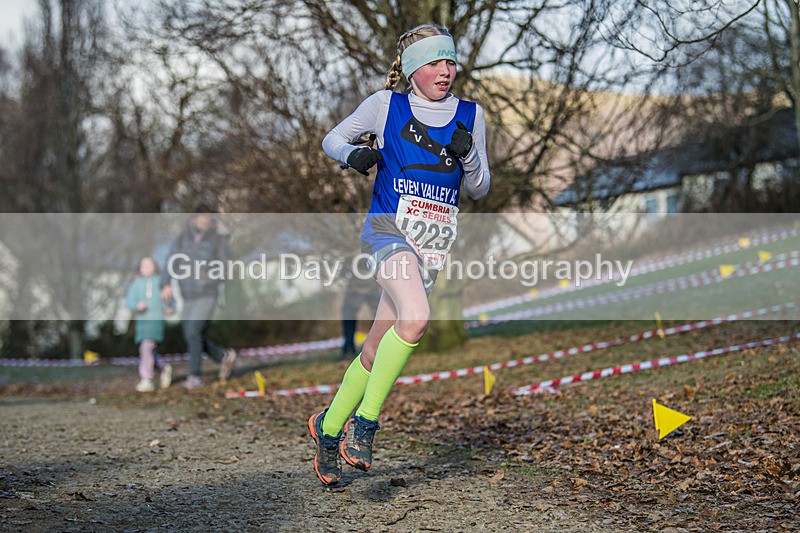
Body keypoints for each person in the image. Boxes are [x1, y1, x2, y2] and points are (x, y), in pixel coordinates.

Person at [309, 23, 490, 485]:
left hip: (432, 244)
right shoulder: (385, 105)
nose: (445, 71)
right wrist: (352, 156)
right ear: (412, 70)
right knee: (416, 318)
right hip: (387, 232)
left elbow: (480, 188)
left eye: (450, 61)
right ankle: (365, 424)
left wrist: (469, 156)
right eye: (434, 62)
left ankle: (328, 429)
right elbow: (332, 139)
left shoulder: (471, 114)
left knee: (374, 350)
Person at [160, 207, 238, 389]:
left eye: (208, 217)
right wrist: (165, 283)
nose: (204, 220)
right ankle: (222, 356)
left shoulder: (218, 239)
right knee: (191, 334)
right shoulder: (182, 238)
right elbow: (170, 260)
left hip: (207, 293)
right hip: (187, 293)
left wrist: (209, 278)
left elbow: (227, 267)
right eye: (202, 217)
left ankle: (194, 376)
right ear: (194, 218)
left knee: (193, 331)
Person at [125, 256, 174, 392]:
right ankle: (164, 367)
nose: (146, 268)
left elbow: (170, 299)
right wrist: (137, 305)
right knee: (149, 350)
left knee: (146, 348)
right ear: (140, 269)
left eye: (149, 265)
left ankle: (147, 379)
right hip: (142, 323)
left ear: (154, 267)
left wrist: (170, 307)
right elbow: (129, 301)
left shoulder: (160, 283)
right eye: (144, 265)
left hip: (156, 321)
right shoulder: (136, 284)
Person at [340, 256, 381, 357]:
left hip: (368, 281)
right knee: (379, 313)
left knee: (380, 313)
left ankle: (352, 347)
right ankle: (350, 346)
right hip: (363, 281)